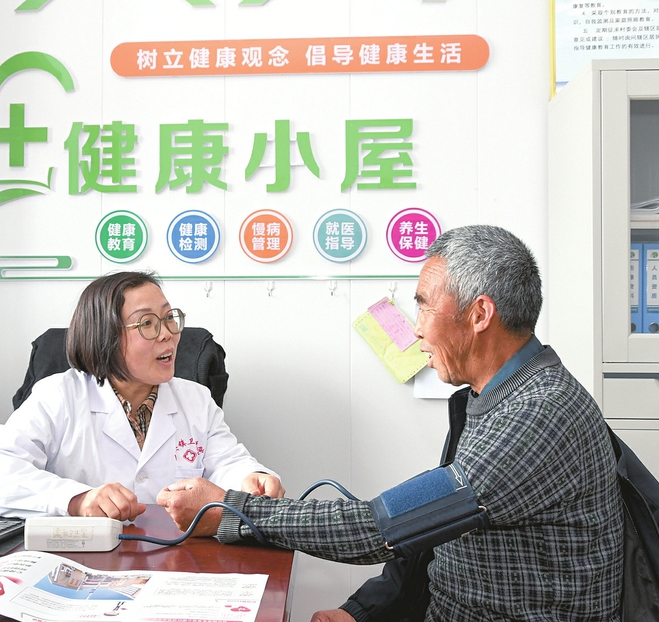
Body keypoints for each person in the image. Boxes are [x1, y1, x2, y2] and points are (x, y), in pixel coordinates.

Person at [157, 225, 623, 621]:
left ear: (479, 314)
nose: (416, 329)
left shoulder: (536, 415)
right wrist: (362, 611)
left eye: (424, 306)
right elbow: (431, 530)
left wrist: (231, 510)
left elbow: (382, 527)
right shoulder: (494, 397)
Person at [0, 270, 283, 521]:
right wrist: (77, 500)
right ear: (105, 336)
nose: (167, 333)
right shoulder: (58, 396)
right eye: (147, 323)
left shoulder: (196, 400)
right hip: (81, 560)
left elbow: (227, 462)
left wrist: (251, 477)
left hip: (173, 556)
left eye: (169, 317)